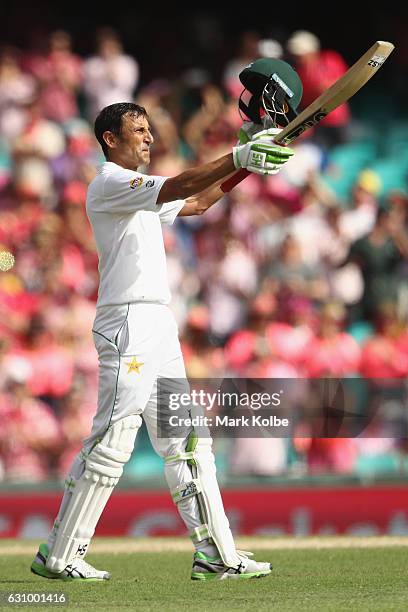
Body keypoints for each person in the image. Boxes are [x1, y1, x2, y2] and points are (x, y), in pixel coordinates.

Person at [29, 80, 296, 581]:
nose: (149, 139)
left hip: (158, 324)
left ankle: (216, 553)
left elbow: (195, 204)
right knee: (113, 439)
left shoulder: (142, 194)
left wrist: (246, 165)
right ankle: (60, 554)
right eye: (139, 131)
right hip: (127, 322)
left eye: (151, 131)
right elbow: (178, 187)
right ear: (111, 138)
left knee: (188, 441)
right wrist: (239, 151)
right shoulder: (109, 182)